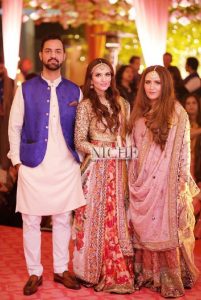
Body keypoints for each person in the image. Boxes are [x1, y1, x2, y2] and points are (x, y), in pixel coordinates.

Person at [8, 34, 86, 296]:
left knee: (63, 218)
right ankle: (34, 271)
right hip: (33, 164)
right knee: (31, 219)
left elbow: (82, 129)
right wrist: (17, 161)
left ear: (64, 56)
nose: (53, 55)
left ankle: (61, 269)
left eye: (58, 51)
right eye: (48, 51)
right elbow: (14, 126)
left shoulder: (75, 90)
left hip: (65, 165)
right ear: (41, 55)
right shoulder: (25, 89)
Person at [128, 65, 200, 298]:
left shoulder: (177, 113)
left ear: (165, 85)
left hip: (166, 185)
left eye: (157, 82)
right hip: (142, 182)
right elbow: (133, 149)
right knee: (144, 227)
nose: (151, 87)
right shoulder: (139, 112)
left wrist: (180, 182)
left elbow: (183, 152)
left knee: (165, 226)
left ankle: (168, 276)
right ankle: (148, 273)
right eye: (148, 82)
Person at [73, 58, 134, 294]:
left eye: (107, 74)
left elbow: (127, 137)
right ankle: (90, 270)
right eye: (98, 75)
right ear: (90, 78)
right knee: (90, 216)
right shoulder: (85, 106)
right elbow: (79, 141)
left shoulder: (122, 103)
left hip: (118, 167)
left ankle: (116, 268)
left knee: (117, 213)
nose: (103, 79)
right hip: (95, 167)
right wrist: (103, 151)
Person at [184, 93, 201, 239]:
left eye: (193, 103)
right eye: (188, 103)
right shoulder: (182, 124)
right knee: (190, 199)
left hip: (198, 165)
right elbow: (187, 136)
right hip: (186, 165)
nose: (191, 106)